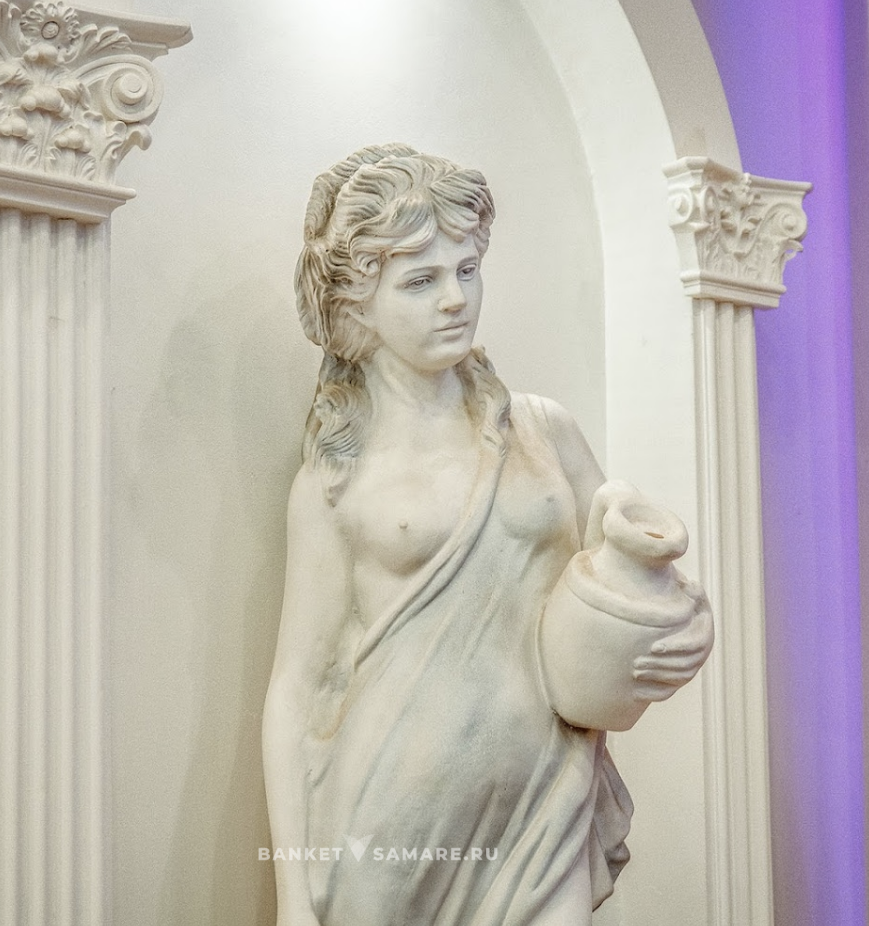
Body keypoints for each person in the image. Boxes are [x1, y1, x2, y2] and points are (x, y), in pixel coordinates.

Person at [262, 143, 712, 926]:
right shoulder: (336, 481)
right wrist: (293, 897)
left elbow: (632, 576)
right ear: (357, 304)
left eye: (467, 270)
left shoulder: (541, 430)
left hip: (544, 792)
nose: (454, 299)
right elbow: (297, 688)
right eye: (421, 280)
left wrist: (681, 630)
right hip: (391, 817)